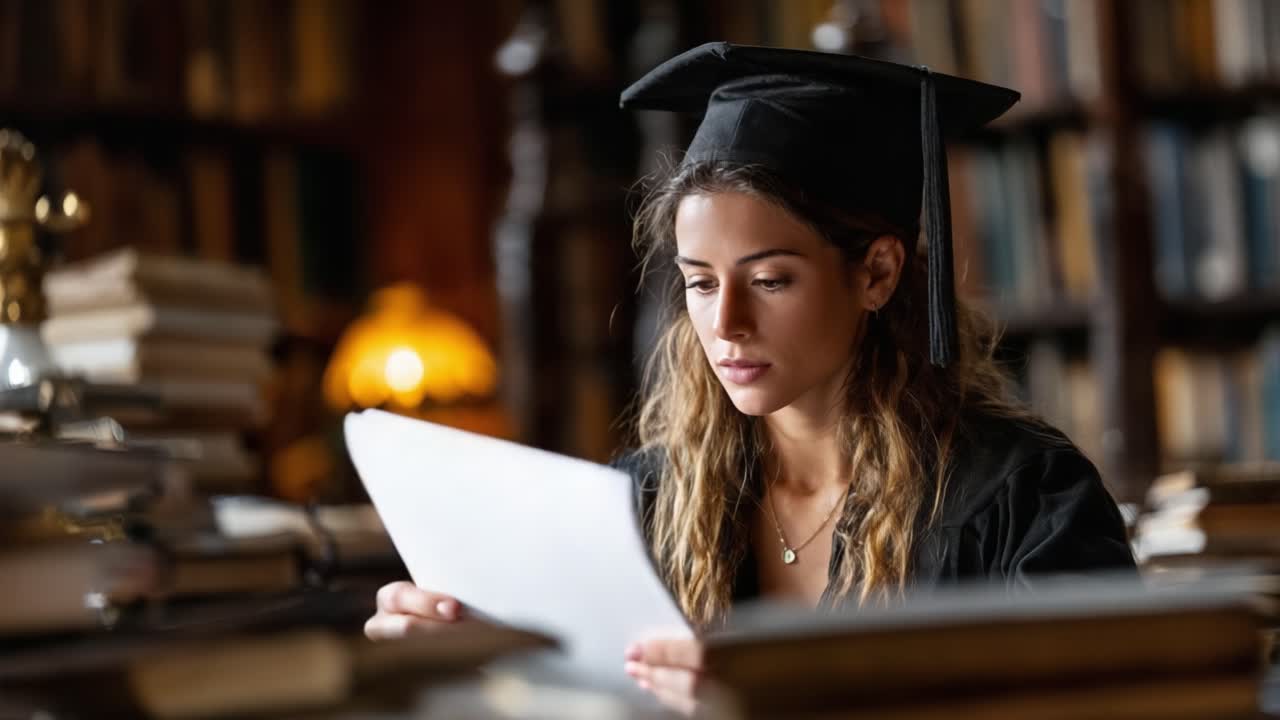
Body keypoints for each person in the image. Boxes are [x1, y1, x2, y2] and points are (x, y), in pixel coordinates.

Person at [363, 43, 1135, 716]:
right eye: (700, 283)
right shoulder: (641, 503)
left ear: (878, 272)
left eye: (768, 280)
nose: (724, 322)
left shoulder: (1022, 499)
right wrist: (477, 663)